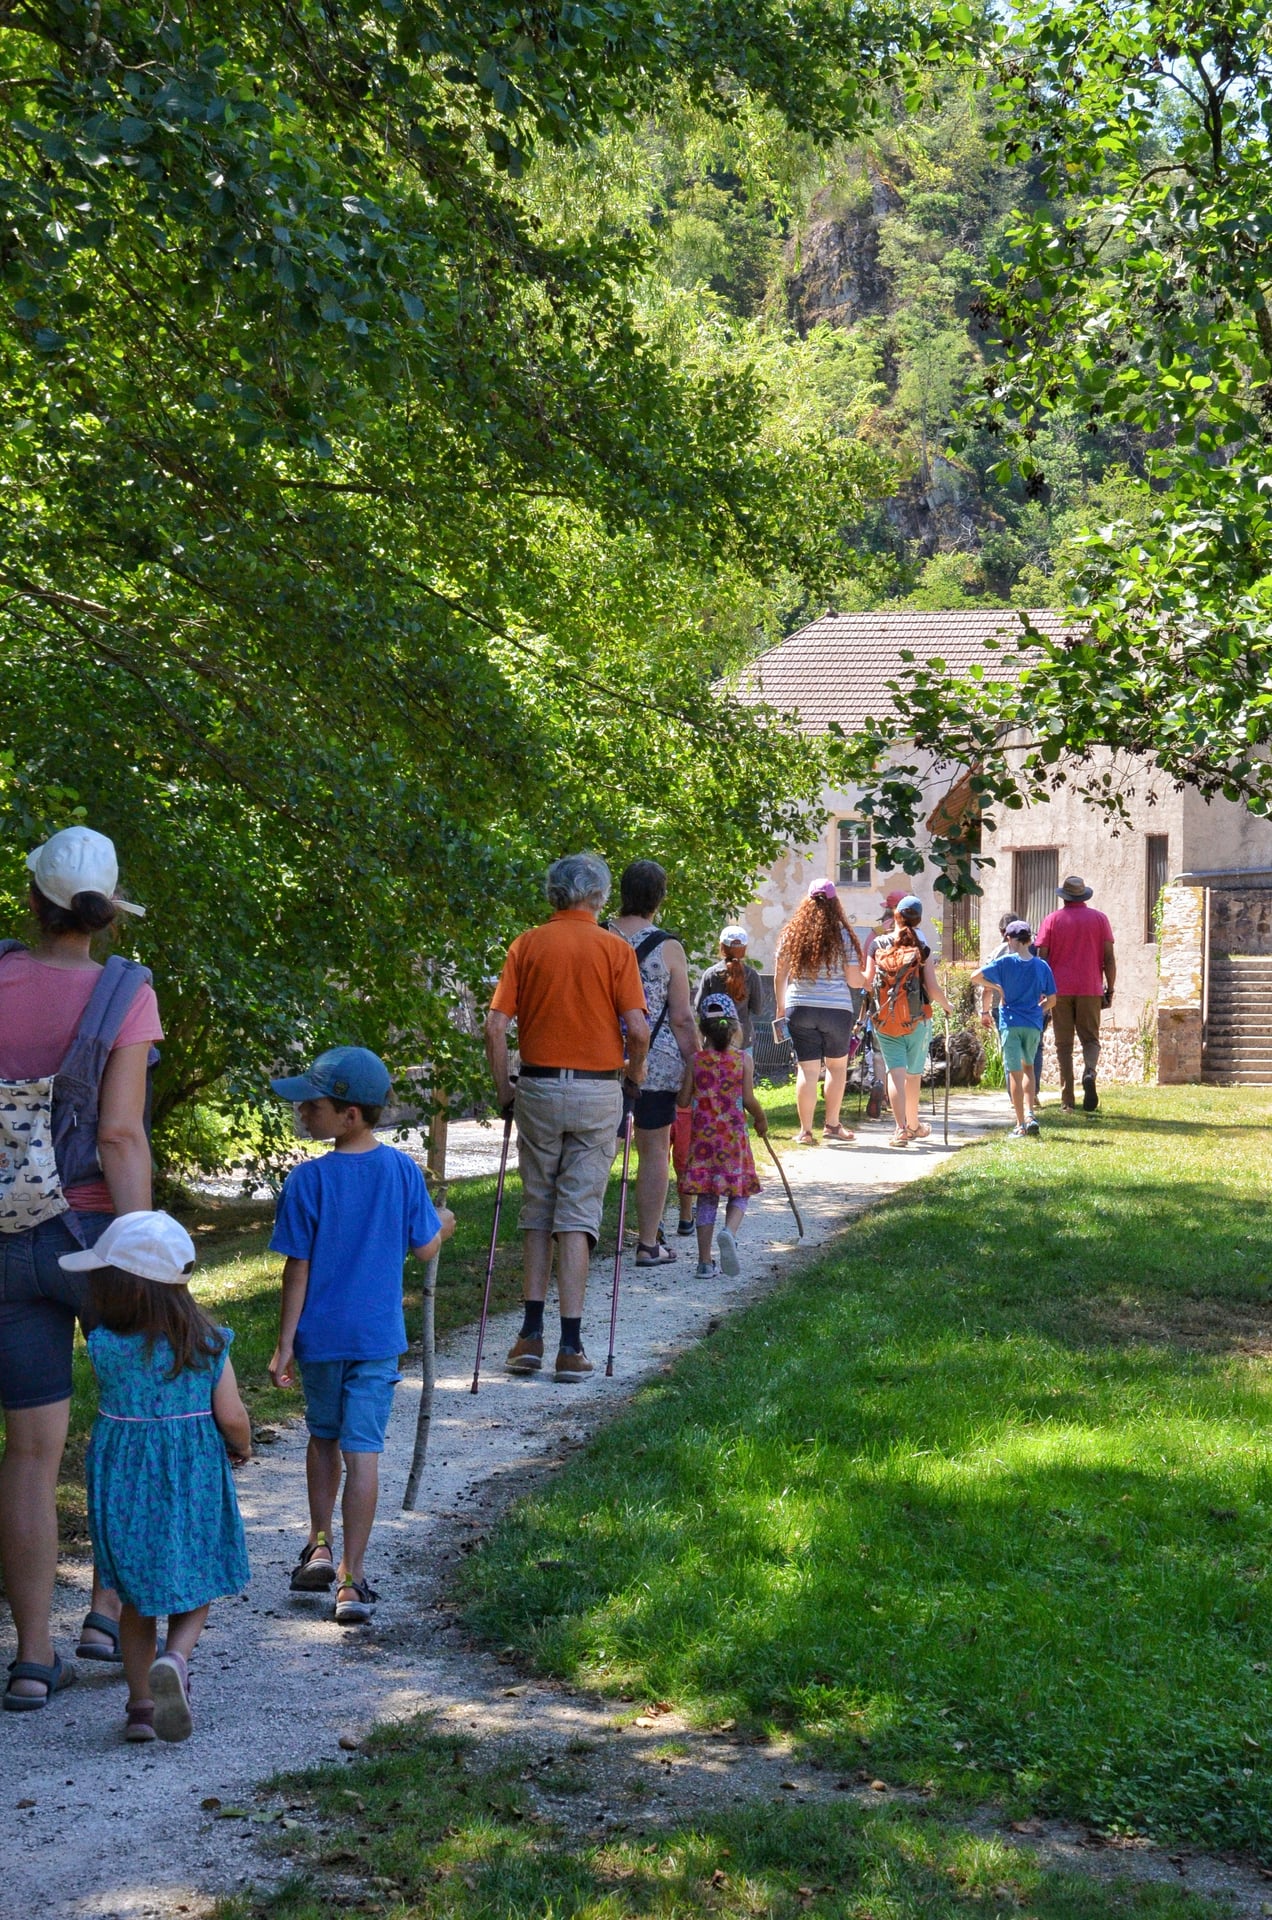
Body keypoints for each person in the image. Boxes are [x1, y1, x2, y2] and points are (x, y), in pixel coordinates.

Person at [0, 826, 161, 1711]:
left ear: (33, 898)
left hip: (1, 1238)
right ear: (104, 910)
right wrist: (143, 1255)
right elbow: (119, 1135)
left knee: (28, 1453)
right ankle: (106, 1612)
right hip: (92, 1231)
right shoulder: (124, 994)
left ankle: (31, 1658)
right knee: (129, 1422)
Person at [267, 1046, 454, 1622]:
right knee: (363, 1452)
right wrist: (443, 1222)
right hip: (376, 1339)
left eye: (313, 1104)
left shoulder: (307, 1180)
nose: (302, 1110)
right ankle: (351, 1577)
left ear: (350, 1114)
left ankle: (319, 1542)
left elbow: (295, 1268)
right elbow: (425, 1246)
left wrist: (284, 1342)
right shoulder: (401, 1170)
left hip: (320, 1338)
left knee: (323, 1438)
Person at [60, 1210, 251, 1743]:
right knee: (200, 1575)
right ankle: (177, 1658)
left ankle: (142, 1706)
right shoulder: (208, 1344)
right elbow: (232, 1416)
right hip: (189, 1474)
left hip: (122, 1477)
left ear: (118, 1289)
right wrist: (241, 1446)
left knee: (135, 1598)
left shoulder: (104, 1346)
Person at [485, 854, 649, 1382]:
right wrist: (634, 1082)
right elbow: (639, 1031)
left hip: (535, 1083)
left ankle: (528, 1338)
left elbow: (494, 1027)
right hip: (599, 1088)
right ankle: (571, 1345)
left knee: (539, 1206)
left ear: (553, 893)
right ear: (598, 896)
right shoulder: (614, 949)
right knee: (577, 1213)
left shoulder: (526, 944)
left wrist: (503, 1088)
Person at [609, 862, 698, 1267]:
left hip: (603, 1056)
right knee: (654, 1150)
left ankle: (580, 1236)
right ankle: (648, 1243)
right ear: (659, 897)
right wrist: (695, 1059)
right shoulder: (668, 948)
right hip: (657, 1064)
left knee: (597, 1150)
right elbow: (680, 1016)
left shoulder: (600, 936)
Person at [678, 994, 767, 1279]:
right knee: (739, 1192)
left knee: (706, 1200)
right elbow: (749, 1100)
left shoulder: (697, 1061)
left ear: (703, 1030)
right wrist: (761, 1120)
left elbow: (682, 1101)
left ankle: (704, 1263)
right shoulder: (743, 1060)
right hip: (733, 1140)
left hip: (703, 1142)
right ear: (734, 1029)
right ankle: (729, 1232)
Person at [773, 879, 866, 1145]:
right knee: (837, 1068)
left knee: (807, 1070)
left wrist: (781, 1006)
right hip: (837, 1010)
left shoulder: (792, 933)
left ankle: (805, 1131)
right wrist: (866, 978)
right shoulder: (843, 935)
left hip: (799, 1007)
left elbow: (780, 976)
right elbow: (853, 980)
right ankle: (833, 1125)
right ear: (835, 902)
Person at [864, 894, 953, 1148]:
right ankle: (914, 1125)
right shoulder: (921, 948)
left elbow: (868, 982)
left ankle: (901, 1128)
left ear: (895, 916)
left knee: (895, 1074)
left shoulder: (877, 944)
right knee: (913, 1076)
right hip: (917, 1019)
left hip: (884, 1020)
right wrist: (947, 1007)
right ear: (919, 920)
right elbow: (933, 989)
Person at [1035, 875, 1116, 1112]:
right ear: (1084, 895)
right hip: (1090, 987)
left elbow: (1043, 957)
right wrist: (1109, 988)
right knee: (1090, 1039)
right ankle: (1089, 1071)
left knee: (1063, 1045)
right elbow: (1109, 959)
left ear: (1064, 897)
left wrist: (1043, 990)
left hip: (1059, 990)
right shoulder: (1100, 919)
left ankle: (1067, 1100)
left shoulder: (1051, 920)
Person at [973, 922, 1056, 1138]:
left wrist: (997, 987)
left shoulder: (1004, 962)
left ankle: (1020, 1125)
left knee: (1014, 1072)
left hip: (1010, 1022)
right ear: (1029, 940)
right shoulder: (1042, 966)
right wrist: (1039, 1010)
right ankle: (1030, 1114)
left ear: (1010, 939)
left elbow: (975, 976)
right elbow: (1053, 1000)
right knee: (1029, 1068)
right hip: (1033, 1024)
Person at [985, 911, 1047, 1105]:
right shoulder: (1036, 955)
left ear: (1004, 933)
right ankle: (1032, 1095)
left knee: (1010, 1052)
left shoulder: (998, 954)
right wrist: (1042, 1009)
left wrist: (985, 1009)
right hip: (1032, 1010)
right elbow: (1048, 989)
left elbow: (984, 984)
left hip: (1004, 1011)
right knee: (1034, 1051)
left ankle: (1014, 1097)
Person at [696, 925, 765, 1050]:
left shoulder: (711, 974)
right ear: (744, 949)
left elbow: (699, 1007)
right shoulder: (752, 976)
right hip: (742, 1040)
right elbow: (758, 1009)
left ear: (722, 947)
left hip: (714, 1039)